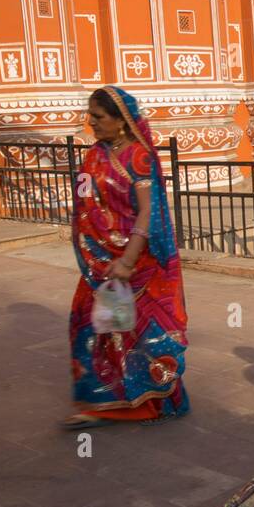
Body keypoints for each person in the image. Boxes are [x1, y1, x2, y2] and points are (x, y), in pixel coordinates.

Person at [64, 85, 189, 428]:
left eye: (98, 116)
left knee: (141, 333)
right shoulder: (93, 156)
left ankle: (151, 400)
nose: (90, 122)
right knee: (91, 325)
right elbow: (84, 201)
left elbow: (148, 213)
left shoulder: (139, 157)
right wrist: (86, 232)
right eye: (90, 114)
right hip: (100, 261)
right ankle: (107, 400)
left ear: (121, 121)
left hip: (138, 262)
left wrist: (128, 260)